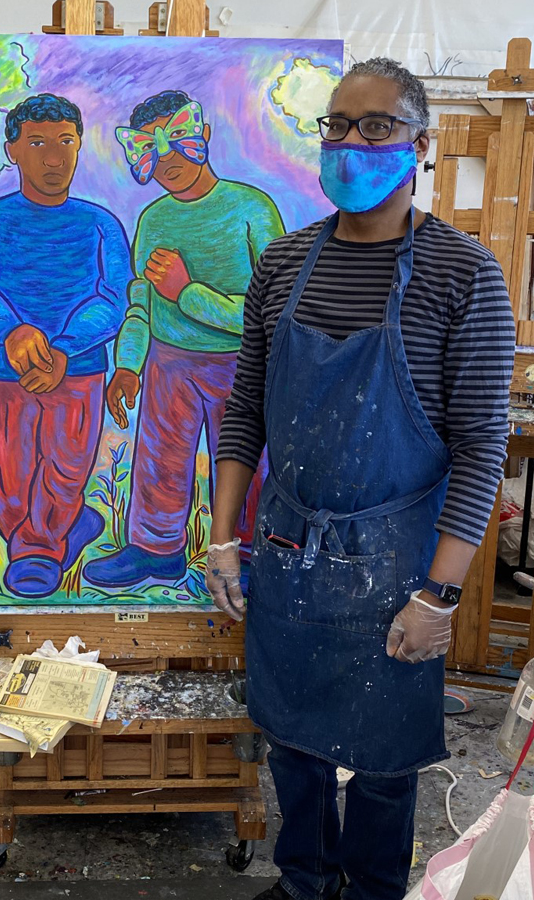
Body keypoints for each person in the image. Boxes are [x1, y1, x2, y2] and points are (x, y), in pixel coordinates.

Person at [206, 59, 516, 900]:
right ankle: (304, 881)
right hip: (283, 541)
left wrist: (439, 596)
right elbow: (245, 413)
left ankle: (373, 889)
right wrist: (224, 538)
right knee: (293, 734)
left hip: (397, 565)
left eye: (375, 126)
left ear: (421, 143)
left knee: (381, 756)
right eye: (337, 125)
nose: (351, 141)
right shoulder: (282, 265)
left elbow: (483, 451)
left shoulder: (465, 276)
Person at [83, 90, 284, 588]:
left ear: (204, 137)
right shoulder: (153, 219)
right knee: (158, 459)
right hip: (168, 363)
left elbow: (272, 313)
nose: (167, 162)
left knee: (245, 461)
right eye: (154, 151)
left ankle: (252, 551)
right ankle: (155, 549)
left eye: (177, 146)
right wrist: (128, 365)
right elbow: (141, 305)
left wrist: (189, 293)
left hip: (241, 365)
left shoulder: (251, 209)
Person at [0, 93, 131, 599]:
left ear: (79, 147)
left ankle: (38, 552)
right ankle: (61, 532)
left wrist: (66, 348)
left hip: (79, 371)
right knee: (6, 474)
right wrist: (11, 330)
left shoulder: (101, 225)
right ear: (13, 150)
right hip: (6, 372)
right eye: (37, 143)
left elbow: (114, 298)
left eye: (66, 142)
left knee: (67, 465)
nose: (54, 158)